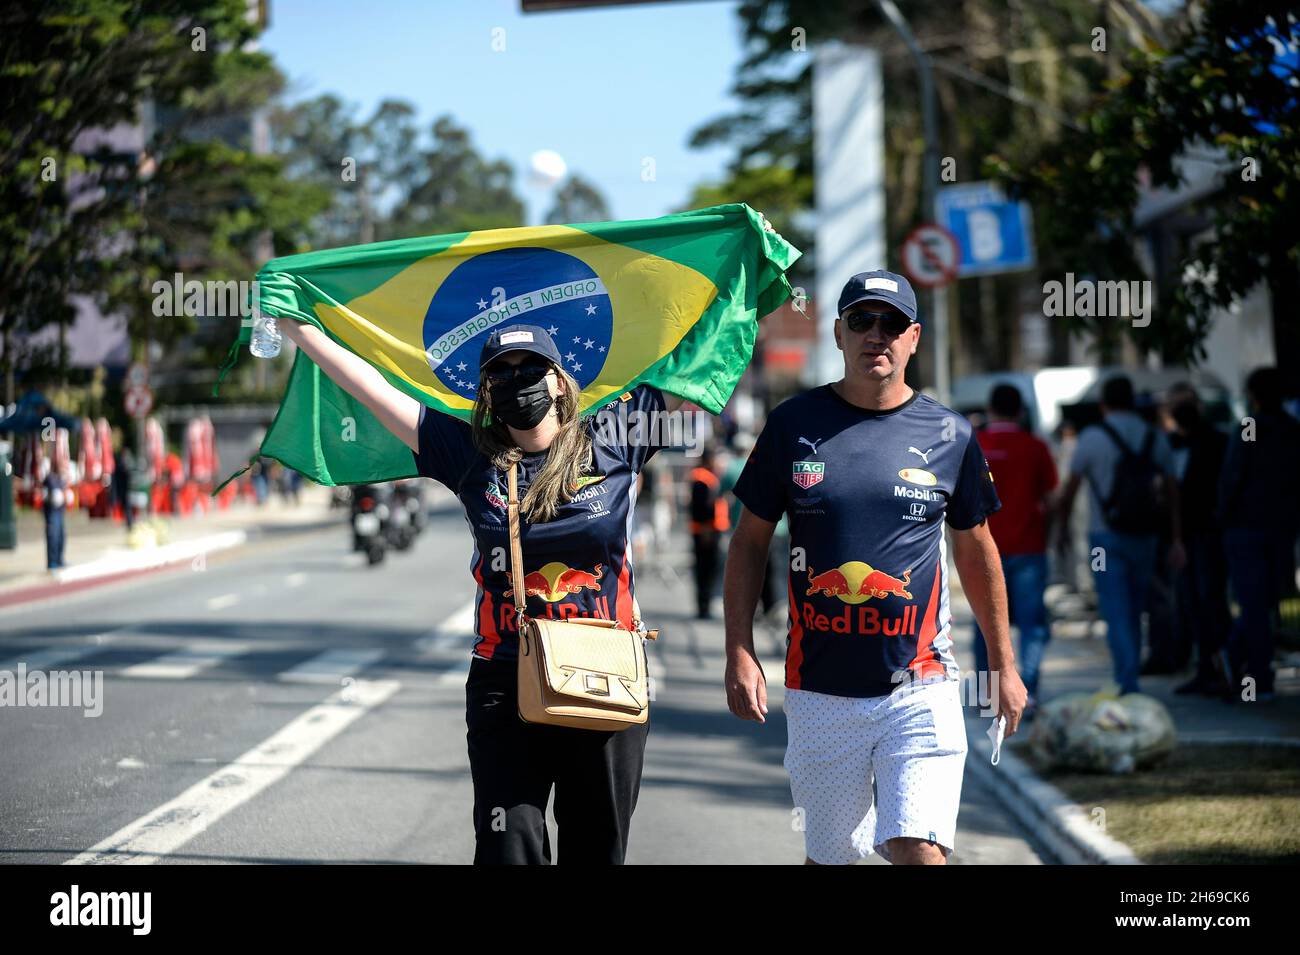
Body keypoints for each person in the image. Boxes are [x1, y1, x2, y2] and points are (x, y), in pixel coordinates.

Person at [279, 317, 687, 864]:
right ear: (487, 394)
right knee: (505, 848)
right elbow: (373, 388)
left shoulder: (614, 437)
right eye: (501, 373)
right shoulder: (468, 453)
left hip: (604, 676)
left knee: (597, 851)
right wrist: (301, 332)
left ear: (561, 380)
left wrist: (745, 265)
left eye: (532, 369)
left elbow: (698, 366)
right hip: (505, 677)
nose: (518, 380)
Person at [724, 269, 1026, 866]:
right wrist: (739, 648)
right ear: (838, 332)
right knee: (833, 857)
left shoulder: (950, 433)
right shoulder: (793, 425)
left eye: (892, 324)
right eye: (861, 320)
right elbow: (749, 542)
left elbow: (976, 548)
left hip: (921, 684)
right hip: (820, 690)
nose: (876, 335)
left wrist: (1005, 665)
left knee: (916, 848)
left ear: (914, 337)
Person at [1056, 375, 1184, 695]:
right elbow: (1172, 491)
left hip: (1104, 539)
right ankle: (1130, 675)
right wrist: (1177, 538)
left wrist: (1061, 530)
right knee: (1138, 606)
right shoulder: (1155, 437)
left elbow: (1070, 490)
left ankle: (1127, 679)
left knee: (1116, 610)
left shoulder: (1091, 438)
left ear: (1103, 404)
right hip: (1146, 536)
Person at [972, 383, 1057, 716]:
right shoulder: (1035, 447)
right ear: (1021, 411)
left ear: (990, 409)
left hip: (981, 551)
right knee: (1032, 624)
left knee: (985, 622)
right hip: (1029, 548)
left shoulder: (975, 445)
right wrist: (1054, 534)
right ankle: (1028, 693)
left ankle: (987, 696)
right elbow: (1051, 500)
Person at [1218, 367, 1300, 701]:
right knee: (1266, 600)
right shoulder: (1293, 430)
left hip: (1247, 526)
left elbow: (1234, 474)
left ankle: (1251, 669)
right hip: (1280, 526)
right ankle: (1243, 661)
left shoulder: (1251, 427)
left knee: (1253, 602)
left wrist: (1223, 514)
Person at [1161, 383, 1231, 696]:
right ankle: (1209, 667)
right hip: (1189, 535)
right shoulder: (1172, 444)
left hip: (1207, 534)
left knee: (1210, 602)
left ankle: (1222, 667)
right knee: (1195, 603)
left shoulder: (1216, 442)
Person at [687, 444, 729, 619]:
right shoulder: (701, 479)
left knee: (710, 568)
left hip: (712, 530)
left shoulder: (709, 477)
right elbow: (701, 508)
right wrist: (705, 530)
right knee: (704, 569)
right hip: (706, 532)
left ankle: (706, 604)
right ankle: (703, 606)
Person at [42, 462, 70, 570]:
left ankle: (59, 560)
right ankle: (52, 562)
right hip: (52, 512)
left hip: (59, 512)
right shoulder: (50, 479)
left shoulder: (60, 480)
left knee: (61, 537)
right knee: (53, 537)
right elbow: (54, 496)